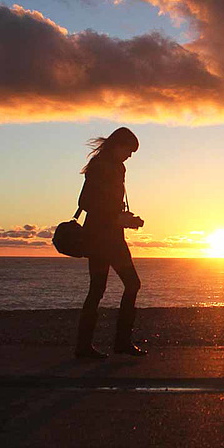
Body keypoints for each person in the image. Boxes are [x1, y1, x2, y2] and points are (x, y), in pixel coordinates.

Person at [75, 127, 147, 358]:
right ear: (118, 145)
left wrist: (126, 218)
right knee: (126, 284)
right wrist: (116, 217)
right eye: (129, 150)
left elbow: (110, 204)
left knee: (100, 289)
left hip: (111, 236)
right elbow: (85, 201)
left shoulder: (118, 167)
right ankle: (115, 343)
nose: (130, 155)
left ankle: (89, 346)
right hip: (101, 238)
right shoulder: (100, 166)